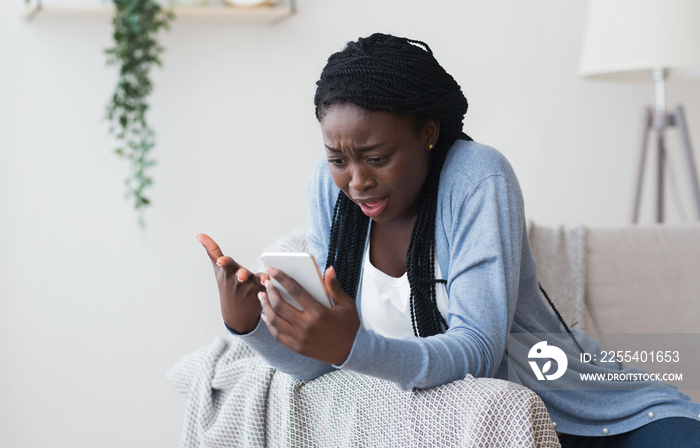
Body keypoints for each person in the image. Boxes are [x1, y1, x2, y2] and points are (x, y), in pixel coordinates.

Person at [197, 33, 700, 447]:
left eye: (376, 157)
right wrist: (248, 326)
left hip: (583, 414)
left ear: (429, 133)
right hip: (484, 428)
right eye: (338, 159)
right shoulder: (327, 195)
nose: (357, 181)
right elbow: (319, 362)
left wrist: (353, 346)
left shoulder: (478, 178)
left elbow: (479, 349)